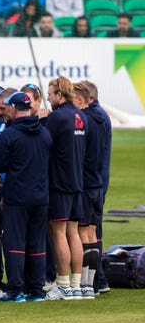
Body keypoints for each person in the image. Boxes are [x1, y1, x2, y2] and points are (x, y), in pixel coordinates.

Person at [0, 91, 53, 302]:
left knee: (15, 243)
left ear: (16, 108)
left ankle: (16, 289)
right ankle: (36, 290)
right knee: (37, 244)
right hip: (41, 197)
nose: (4, 110)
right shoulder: (44, 133)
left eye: (7, 107)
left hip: (17, 196)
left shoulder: (10, 135)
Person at [44, 76, 87, 300]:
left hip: (59, 183)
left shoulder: (58, 117)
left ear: (59, 95)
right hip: (77, 182)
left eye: (50, 95)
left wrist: (42, 120)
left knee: (58, 232)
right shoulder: (81, 115)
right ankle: (77, 285)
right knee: (73, 232)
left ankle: (62, 285)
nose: (48, 98)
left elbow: (44, 142)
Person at [71, 82, 106, 300]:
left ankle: (84, 284)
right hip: (97, 184)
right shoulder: (100, 120)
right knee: (91, 234)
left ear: (81, 100)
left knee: (82, 233)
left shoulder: (83, 122)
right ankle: (91, 283)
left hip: (85, 184)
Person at [82, 80, 111, 294]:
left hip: (91, 181)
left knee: (86, 231)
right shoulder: (101, 116)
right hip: (99, 180)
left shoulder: (92, 119)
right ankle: (97, 280)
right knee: (94, 231)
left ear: (88, 98)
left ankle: (89, 281)